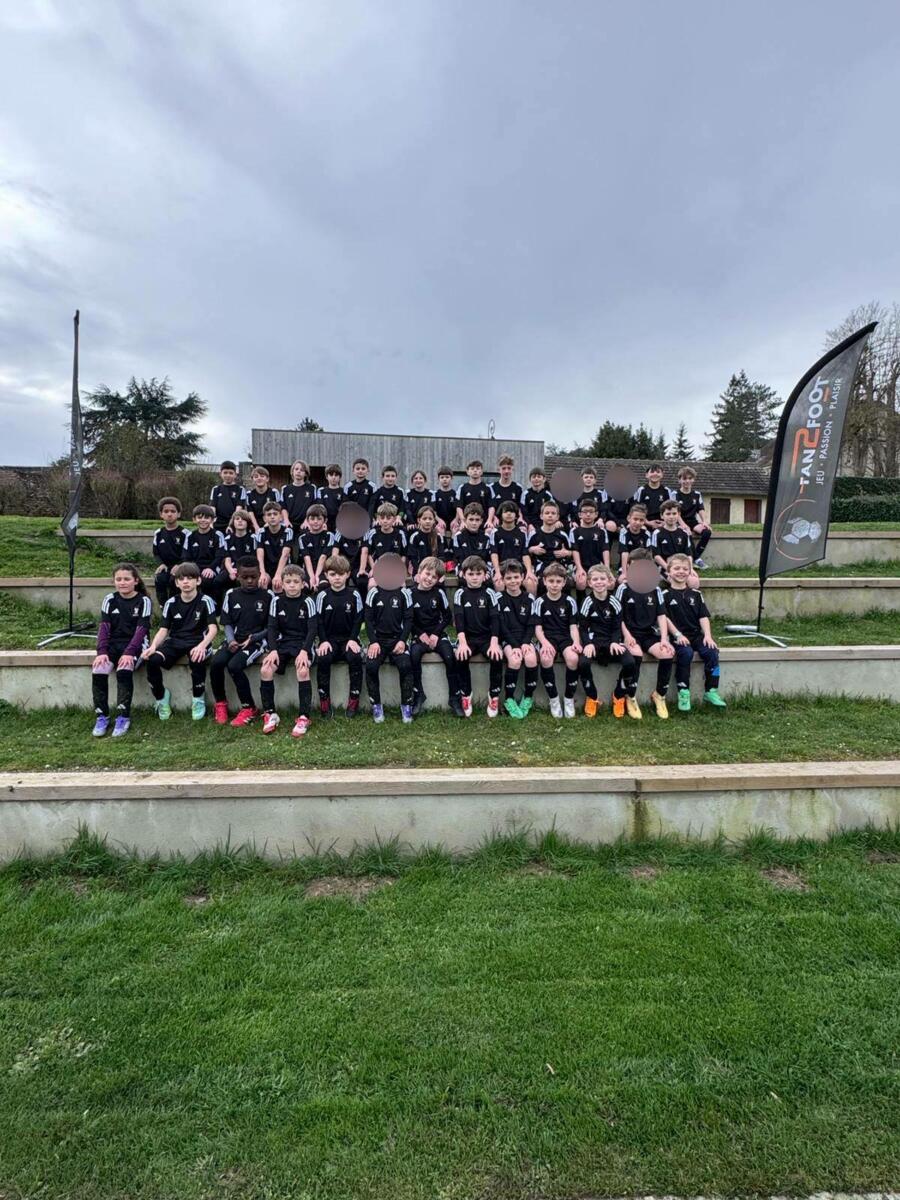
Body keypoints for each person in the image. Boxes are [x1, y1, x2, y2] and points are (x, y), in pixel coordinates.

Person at [141, 562, 218, 721]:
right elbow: (163, 630)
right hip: (176, 641)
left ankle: (198, 698)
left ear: (198, 581)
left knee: (197, 658)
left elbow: (213, 629)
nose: (185, 582)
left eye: (190, 578)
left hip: (198, 641)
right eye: (181, 579)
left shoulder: (206, 601)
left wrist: (202, 646)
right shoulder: (171, 603)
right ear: (176, 583)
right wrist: (153, 646)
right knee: (152, 660)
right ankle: (161, 698)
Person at [90, 562, 152, 738]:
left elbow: (141, 630)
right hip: (113, 645)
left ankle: (123, 717)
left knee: (124, 669)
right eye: (118, 579)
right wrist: (101, 651)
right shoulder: (110, 599)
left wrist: (129, 652)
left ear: (136, 581)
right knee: (98, 670)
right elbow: (104, 628)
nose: (122, 582)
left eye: (126, 579)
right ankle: (102, 716)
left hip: (136, 645)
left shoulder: (144, 601)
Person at [209, 557, 272, 727]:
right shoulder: (231, 594)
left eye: (253, 577)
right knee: (216, 663)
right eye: (245, 577)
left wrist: (254, 638)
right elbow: (227, 623)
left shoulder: (268, 596)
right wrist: (230, 640)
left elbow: (272, 627)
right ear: (237, 576)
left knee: (234, 666)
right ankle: (220, 703)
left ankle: (249, 707)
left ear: (260, 575)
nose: (250, 580)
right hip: (234, 640)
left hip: (256, 642)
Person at [614, 547, 675, 720]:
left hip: (649, 634)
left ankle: (659, 695)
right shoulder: (623, 588)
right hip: (629, 633)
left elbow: (661, 616)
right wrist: (627, 636)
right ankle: (630, 695)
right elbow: (618, 617)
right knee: (636, 654)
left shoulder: (655, 590)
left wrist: (664, 639)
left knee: (667, 653)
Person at [260, 564, 319, 737]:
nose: (292, 585)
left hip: (302, 644)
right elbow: (272, 628)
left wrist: (304, 651)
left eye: (296, 582)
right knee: (266, 669)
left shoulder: (308, 602)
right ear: (282, 584)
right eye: (288, 582)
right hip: (282, 643)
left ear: (303, 584)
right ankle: (270, 714)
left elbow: (312, 630)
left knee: (302, 670)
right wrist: (273, 650)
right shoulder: (276, 601)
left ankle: (304, 717)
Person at [663, 553, 726, 711]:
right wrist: (677, 635)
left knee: (712, 651)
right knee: (686, 653)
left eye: (685, 569)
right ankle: (683, 691)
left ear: (690, 572)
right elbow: (664, 618)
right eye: (677, 568)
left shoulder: (696, 594)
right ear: (669, 572)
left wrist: (708, 636)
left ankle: (711, 690)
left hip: (696, 635)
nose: (681, 571)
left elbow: (703, 616)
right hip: (677, 636)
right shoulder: (664, 595)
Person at [578, 564, 639, 719]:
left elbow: (617, 627)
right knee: (583, 663)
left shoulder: (614, 602)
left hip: (611, 642)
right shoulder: (587, 602)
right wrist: (588, 644)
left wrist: (614, 641)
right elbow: (583, 628)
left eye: (602, 579)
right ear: (589, 583)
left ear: (609, 581)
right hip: (593, 643)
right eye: (595, 579)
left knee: (630, 662)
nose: (599, 582)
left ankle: (619, 695)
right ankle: (592, 696)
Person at [364, 554, 414, 723]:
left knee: (405, 665)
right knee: (371, 666)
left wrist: (402, 641)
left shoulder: (404, 593)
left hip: (397, 640)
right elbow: (368, 620)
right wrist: (373, 642)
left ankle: (406, 705)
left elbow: (409, 620)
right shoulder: (373, 593)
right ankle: (376, 705)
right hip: (378, 641)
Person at [452, 555, 503, 718]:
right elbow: (459, 620)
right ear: (463, 575)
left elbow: (495, 620)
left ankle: (493, 695)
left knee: (496, 656)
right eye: (471, 574)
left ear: (485, 575)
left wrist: (494, 643)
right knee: (460, 656)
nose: (474, 577)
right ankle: (466, 694)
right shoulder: (460, 593)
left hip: (487, 638)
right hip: (468, 639)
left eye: (478, 574)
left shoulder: (490, 593)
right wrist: (462, 643)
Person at [315, 554, 365, 718]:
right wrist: (323, 641)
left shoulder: (354, 594)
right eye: (333, 574)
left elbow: (358, 619)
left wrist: (353, 639)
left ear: (348, 574)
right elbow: (318, 621)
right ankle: (324, 701)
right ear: (326, 575)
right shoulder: (322, 596)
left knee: (354, 657)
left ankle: (353, 700)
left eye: (341, 574)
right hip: (329, 640)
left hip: (348, 640)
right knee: (323, 658)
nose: (337, 578)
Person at [408, 555, 458, 717]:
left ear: (438, 580)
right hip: (419, 636)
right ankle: (418, 694)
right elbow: (407, 619)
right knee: (414, 655)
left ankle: (454, 697)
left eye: (434, 577)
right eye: (427, 574)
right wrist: (420, 633)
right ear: (419, 572)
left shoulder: (439, 593)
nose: (429, 579)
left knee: (450, 656)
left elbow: (447, 616)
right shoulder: (409, 593)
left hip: (437, 634)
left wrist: (436, 634)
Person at [533, 562, 581, 718]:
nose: (554, 585)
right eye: (551, 581)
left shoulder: (569, 601)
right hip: (547, 638)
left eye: (558, 581)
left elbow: (573, 627)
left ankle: (568, 698)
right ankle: (553, 699)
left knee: (573, 658)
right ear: (544, 581)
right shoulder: (539, 602)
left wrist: (576, 642)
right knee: (546, 658)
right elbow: (538, 629)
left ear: (564, 582)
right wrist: (545, 643)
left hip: (565, 638)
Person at [496, 559, 539, 719]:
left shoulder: (529, 598)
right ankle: (509, 699)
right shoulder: (498, 598)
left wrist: (525, 643)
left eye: (516, 577)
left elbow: (531, 624)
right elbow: (501, 626)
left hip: (525, 639)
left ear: (522, 577)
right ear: (502, 580)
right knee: (514, 660)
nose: (513, 581)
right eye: (508, 578)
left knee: (531, 659)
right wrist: (515, 645)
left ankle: (528, 697)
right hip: (508, 639)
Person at [184, 504, 228, 606]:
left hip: (213, 567)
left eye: (207, 518)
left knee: (207, 580)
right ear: (194, 519)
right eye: (199, 517)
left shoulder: (217, 535)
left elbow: (220, 556)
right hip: (195, 567)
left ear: (212, 520)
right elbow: (186, 556)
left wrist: (210, 568)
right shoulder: (190, 536)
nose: (203, 520)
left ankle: (213, 606)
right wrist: (192, 569)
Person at [527, 500, 572, 591]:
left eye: (553, 513)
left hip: (559, 564)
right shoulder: (534, 534)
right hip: (541, 565)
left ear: (557, 517)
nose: (550, 515)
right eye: (547, 513)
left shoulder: (562, 534)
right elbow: (526, 552)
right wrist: (532, 549)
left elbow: (572, 552)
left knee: (566, 583)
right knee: (541, 583)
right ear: (541, 516)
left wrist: (567, 553)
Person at [152, 496, 187, 607]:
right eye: (166, 511)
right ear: (161, 514)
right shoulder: (158, 533)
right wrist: (161, 564)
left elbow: (187, 554)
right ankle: (163, 607)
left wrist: (180, 565)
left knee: (174, 580)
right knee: (159, 578)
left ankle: (174, 607)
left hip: (180, 566)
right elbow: (156, 553)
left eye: (173, 511)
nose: (169, 514)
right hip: (165, 567)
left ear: (178, 514)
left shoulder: (185, 533)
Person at [361, 503, 408, 587]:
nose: (385, 521)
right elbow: (369, 554)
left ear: (394, 519)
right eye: (382, 518)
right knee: (371, 584)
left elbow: (404, 555)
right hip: (378, 566)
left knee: (402, 585)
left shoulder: (400, 534)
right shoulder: (373, 533)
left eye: (388, 518)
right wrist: (374, 568)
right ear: (378, 518)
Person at [674, 466, 712, 568]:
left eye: (690, 478)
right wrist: (683, 525)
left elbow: (701, 509)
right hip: (679, 522)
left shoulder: (697, 494)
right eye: (684, 479)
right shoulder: (675, 494)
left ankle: (696, 557)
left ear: (693, 480)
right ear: (679, 480)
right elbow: (675, 512)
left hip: (692, 521)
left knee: (707, 532)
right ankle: (697, 559)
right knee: (687, 533)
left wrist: (704, 521)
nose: (687, 481)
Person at [569, 499, 610, 592]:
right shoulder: (574, 531)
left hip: (597, 566)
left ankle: (602, 600)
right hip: (581, 565)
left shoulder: (601, 531)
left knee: (610, 584)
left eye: (591, 512)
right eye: (585, 512)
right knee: (581, 582)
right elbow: (575, 550)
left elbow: (605, 550)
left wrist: (607, 568)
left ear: (596, 514)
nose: (588, 514)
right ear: (580, 514)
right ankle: (581, 600)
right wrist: (579, 568)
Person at [489, 501, 533, 589]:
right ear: (501, 515)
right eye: (506, 511)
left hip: (518, 566)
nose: (509, 514)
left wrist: (529, 571)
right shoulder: (495, 532)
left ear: (516, 515)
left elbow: (525, 554)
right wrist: (497, 572)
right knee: (499, 583)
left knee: (531, 582)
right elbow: (494, 553)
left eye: (512, 512)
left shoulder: (522, 533)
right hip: (502, 566)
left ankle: (529, 598)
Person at [254, 501, 293, 592]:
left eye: (275, 514)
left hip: (283, 568)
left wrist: (278, 575)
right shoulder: (261, 532)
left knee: (277, 585)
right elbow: (260, 555)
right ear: (264, 518)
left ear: (281, 517)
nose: (272, 517)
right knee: (262, 582)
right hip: (267, 568)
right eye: (269, 514)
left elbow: (285, 555)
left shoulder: (288, 531)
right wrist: (262, 573)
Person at [296, 503, 334, 588]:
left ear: (325, 520)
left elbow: (323, 557)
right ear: (307, 520)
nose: (315, 521)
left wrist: (317, 576)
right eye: (312, 519)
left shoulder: (329, 536)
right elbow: (307, 558)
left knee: (322, 585)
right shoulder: (302, 538)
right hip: (308, 570)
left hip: (323, 569)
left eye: (319, 519)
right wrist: (312, 577)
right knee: (304, 587)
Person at [651, 500, 692, 576]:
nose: (671, 517)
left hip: (681, 567)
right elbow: (656, 556)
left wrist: (690, 569)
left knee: (694, 581)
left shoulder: (684, 533)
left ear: (679, 514)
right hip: (664, 568)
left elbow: (689, 555)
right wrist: (669, 569)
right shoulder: (657, 533)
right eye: (668, 514)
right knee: (676, 578)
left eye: (674, 513)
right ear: (662, 515)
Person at [406, 506, 447, 576]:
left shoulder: (438, 536)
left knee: (439, 581)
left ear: (434, 520)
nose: (427, 521)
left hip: (435, 571)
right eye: (424, 518)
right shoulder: (415, 537)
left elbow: (441, 557)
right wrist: (419, 571)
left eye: (430, 519)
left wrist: (437, 571)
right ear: (419, 520)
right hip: (419, 570)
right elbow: (413, 558)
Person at [280, 459, 318, 530]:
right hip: (289, 523)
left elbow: (314, 506)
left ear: (306, 473)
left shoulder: (312, 488)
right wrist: (286, 520)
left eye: (302, 470)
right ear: (292, 471)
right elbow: (283, 507)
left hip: (306, 523)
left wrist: (307, 521)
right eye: (296, 469)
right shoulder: (285, 489)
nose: (298, 471)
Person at [209, 460, 247, 532]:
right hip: (217, 524)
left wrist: (231, 525)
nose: (228, 475)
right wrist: (211, 523)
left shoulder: (240, 489)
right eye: (225, 473)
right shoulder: (216, 489)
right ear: (220, 474)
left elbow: (238, 509)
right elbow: (212, 508)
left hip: (233, 524)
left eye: (231, 473)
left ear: (235, 475)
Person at [451, 503, 490, 570]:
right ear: (465, 520)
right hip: (464, 569)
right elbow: (458, 558)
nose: (474, 523)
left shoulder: (486, 537)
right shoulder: (458, 537)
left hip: (481, 570)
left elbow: (486, 559)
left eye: (477, 520)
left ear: (481, 521)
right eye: (471, 519)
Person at [617, 504, 651, 578]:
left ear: (644, 521)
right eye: (635, 519)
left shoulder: (646, 534)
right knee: (622, 580)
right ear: (629, 518)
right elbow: (624, 553)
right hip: (626, 565)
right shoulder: (624, 532)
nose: (638, 522)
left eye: (641, 520)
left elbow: (648, 555)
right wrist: (624, 573)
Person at [488, 455, 523, 526]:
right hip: (496, 522)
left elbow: (519, 507)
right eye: (503, 468)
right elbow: (490, 506)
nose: (506, 471)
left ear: (512, 469)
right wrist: (493, 517)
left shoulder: (518, 487)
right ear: (499, 470)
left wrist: (520, 517)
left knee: (523, 529)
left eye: (509, 468)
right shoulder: (491, 487)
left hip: (513, 521)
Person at [223, 508, 256, 581]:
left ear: (248, 523)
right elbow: (227, 559)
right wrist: (231, 571)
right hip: (233, 568)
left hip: (248, 568)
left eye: (243, 519)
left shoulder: (253, 538)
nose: (240, 521)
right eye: (237, 519)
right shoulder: (228, 539)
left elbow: (254, 559)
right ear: (233, 522)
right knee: (218, 581)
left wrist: (242, 571)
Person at [457, 460, 493, 526]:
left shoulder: (488, 487)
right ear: (467, 472)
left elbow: (491, 506)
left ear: (481, 472)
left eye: (478, 468)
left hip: (483, 522)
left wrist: (489, 520)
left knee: (490, 530)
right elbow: (459, 506)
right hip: (467, 522)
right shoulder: (462, 488)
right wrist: (463, 521)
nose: (475, 470)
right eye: (472, 468)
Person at [633, 463, 669, 530]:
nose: (655, 474)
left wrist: (665, 522)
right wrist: (647, 522)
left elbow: (670, 509)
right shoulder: (641, 490)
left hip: (663, 523)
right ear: (646, 475)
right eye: (652, 472)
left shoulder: (666, 491)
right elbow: (637, 509)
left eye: (658, 472)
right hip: (644, 522)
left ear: (662, 475)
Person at [244, 465, 279, 531]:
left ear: (267, 479)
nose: (259, 478)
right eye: (256, 476)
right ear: (252, 479)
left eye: (262, 476)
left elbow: (278, 511)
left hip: (271, 524)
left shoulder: (274, 492)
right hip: (255, 525)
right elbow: (250, 513)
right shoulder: (249, 495)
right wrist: (256, 527)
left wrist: (269, 524)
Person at [522, 467, 553, 531]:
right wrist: (529, 524)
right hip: (529, 525)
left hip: (544, 525)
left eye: (539, 477)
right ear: (530, 479)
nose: (536, 479)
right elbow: (524, 513)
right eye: (534, 477)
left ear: (544, 479)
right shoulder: (525, 494)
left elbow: (551, 511)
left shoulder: (548, 495)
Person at [317, 464, 345, 530]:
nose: (333, 477)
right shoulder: (321, 490)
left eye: (336, 475)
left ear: (340, 477)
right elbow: (320, 507)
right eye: (331, 475)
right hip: (325, 522)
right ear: (327, 477)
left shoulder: (343, 491)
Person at [431, 467, 458, 533]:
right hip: (440, 522)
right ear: (438, 479)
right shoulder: (435, 494)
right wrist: (439, 520)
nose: (444, 479)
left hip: (453, 521)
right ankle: (441, 540)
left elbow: (459, 509)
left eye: (447, 477)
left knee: (456, 529)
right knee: (439, 529)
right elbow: (433, 511)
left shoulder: (456, 494)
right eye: (442, 477)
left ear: (451, 478)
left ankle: (453, 540)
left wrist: (456, 520)